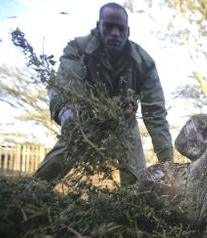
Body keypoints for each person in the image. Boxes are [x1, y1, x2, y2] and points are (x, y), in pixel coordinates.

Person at [34, 2, 173, 185]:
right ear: (99, 26)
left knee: (135, 177)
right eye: (108, 26)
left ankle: (131, 205)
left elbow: (155, 113)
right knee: (63, 153)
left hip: (123, 121)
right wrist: (68, 115)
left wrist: (167, 162)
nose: (115, 33)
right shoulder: (78, 49)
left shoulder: (143, 63)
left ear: (128, 31)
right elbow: (65, 86)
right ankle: (31, 193)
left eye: (121, 28)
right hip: (84, 117)